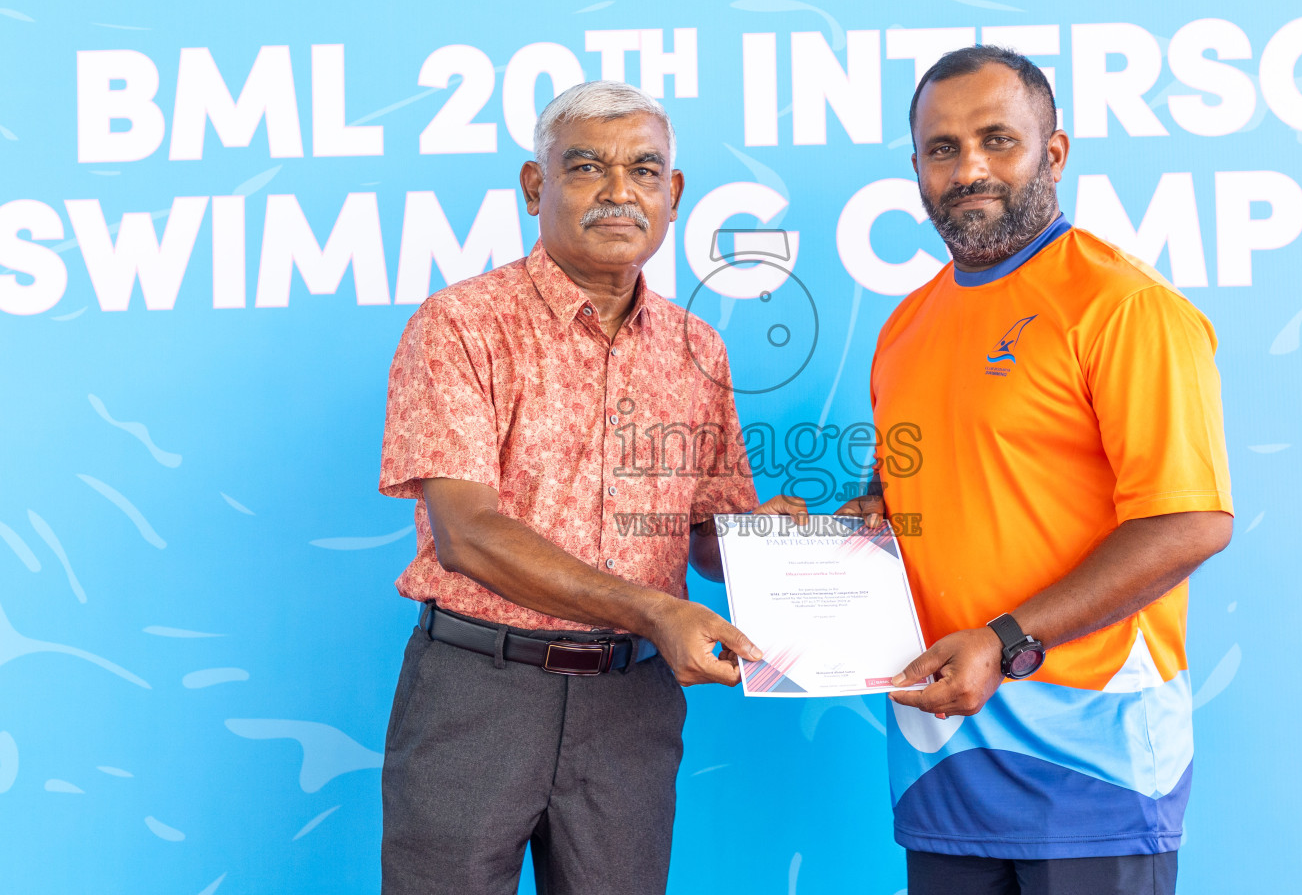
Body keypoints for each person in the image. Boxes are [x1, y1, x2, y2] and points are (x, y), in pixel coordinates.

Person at [377, 79, 803, 895]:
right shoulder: (461, 325)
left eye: (644, 170)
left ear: (672, 195)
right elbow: (466, 534)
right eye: (586, 168)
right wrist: (654, 608)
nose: (619, 192)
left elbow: (706, 536)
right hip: (479, 694)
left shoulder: (697, 348)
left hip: (629, 704)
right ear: (537, 187)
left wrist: (769, 545)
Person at [837, 45, 1234, 895]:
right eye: (942, 149)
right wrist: (848, 529)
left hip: (1092, 773)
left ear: (1052, 153)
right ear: (916, 170)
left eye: (996, 140)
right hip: (941, 763)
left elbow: (1190, 520)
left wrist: (1007, 641)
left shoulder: (1125, 308)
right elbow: (923, 495)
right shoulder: (906, 325)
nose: (968, 168)